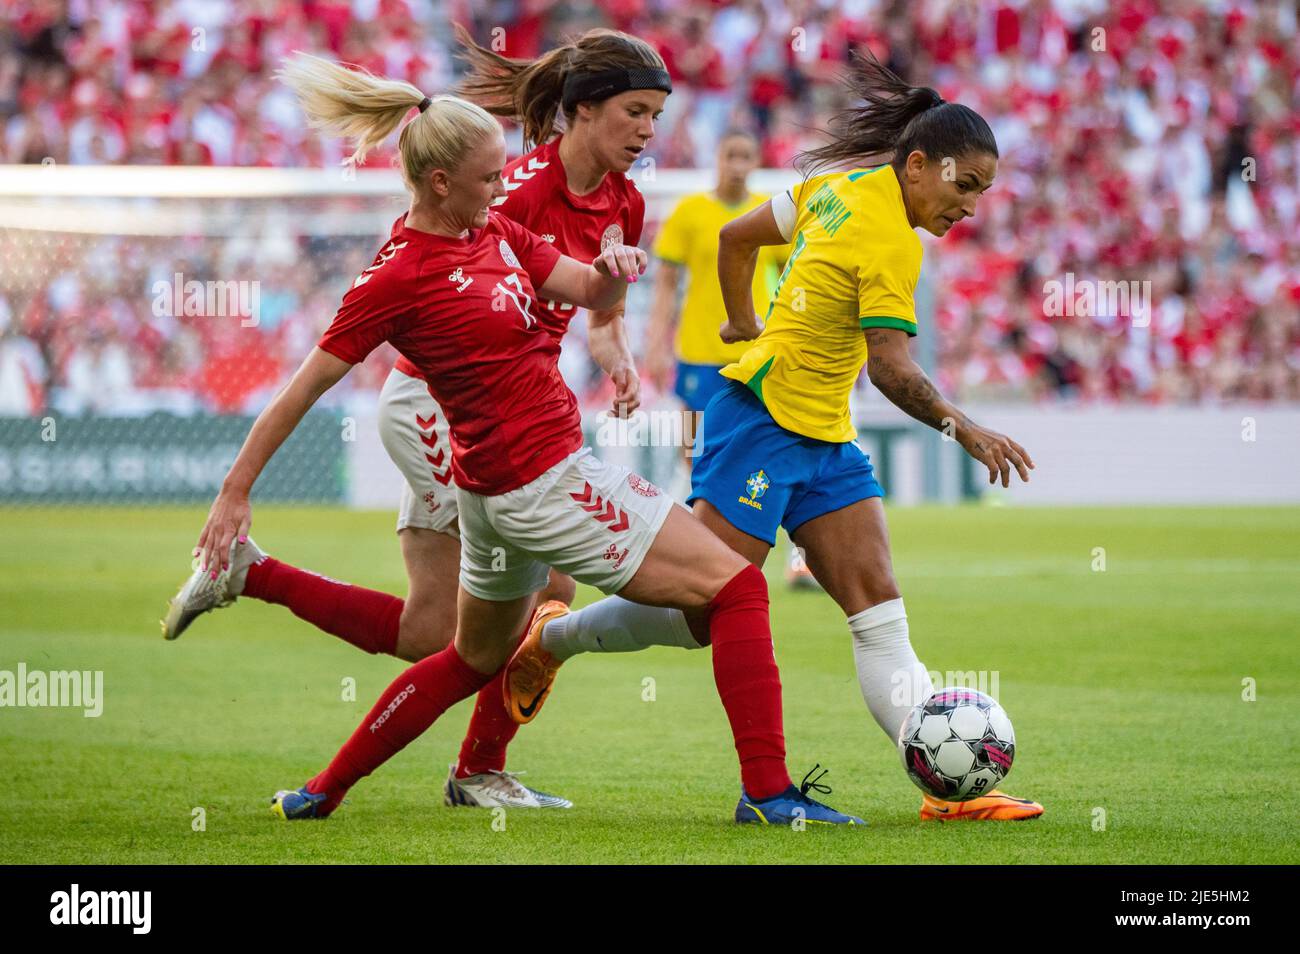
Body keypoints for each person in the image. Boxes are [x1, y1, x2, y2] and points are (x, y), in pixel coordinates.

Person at [191, 52, 862, 826]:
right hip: (527, 469)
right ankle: (769, 794)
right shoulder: (410, 269)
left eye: (656, 114)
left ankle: (324, 790)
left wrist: (612, 271)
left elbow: (585, 292)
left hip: (498, 482)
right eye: (487, 176)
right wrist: (235, 489)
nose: (499, 184)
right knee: (738, 587)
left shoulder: (497, 227)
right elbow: (304, 387)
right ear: (443, 181)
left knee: (466, 649)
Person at [506, 51, 1044, 822]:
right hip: (759, 421)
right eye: (964, 186)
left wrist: (741, 321)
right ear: (919, 164)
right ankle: (550, 643)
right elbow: (891, 370)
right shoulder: (893, 241)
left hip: (825, 433)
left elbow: (736, 238)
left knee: (877, 607)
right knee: (701, 614)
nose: (970, 207)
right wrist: (967, 428)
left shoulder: (837, 187)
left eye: (983, 193)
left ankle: (947, 790)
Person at [163, 27, 670, 811]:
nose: (647, 132)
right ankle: (474, 772)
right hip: (444, 405)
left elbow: (597, 303)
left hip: (500, 406)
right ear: (584, 111)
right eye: (635, 112)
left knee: (436, 632)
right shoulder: (514, 196)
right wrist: (234, 486)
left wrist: (618, 357)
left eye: (656, 117)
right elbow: (343, 358)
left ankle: (255, 576)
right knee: (526, 605)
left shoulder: (615, 202)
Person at [645, 128, 815, 588]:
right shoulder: (689, 213)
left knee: (777, 449)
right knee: (695, 456)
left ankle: (800, 558)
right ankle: (699, 551)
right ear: (716, 157)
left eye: (745, 155)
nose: (737, 164)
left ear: (756, 160)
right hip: (700, 351)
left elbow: (794, 278)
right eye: (730, 154)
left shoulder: (771, 214)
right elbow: (664, 285)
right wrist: (656, 342)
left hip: (759, 354)